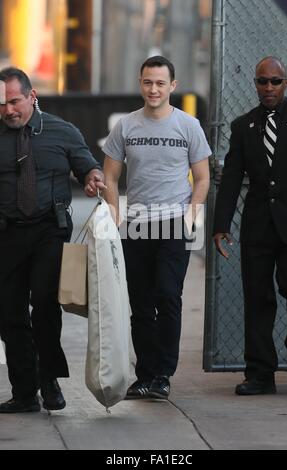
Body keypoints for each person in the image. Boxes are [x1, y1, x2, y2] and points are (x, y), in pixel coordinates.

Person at [103, 56, 211, 399]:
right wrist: (115, 217)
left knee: (168, 295)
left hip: (173, 225)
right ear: (141, 84)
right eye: (148, 82)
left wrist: (190, 218)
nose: (154, 89)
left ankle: (163, 374)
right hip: (136, 227)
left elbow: (203, 177)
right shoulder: (126, 127)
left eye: (160, 83)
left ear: (172, 86)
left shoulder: (188, 126)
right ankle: (145, 375)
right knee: (141, 304)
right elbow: (110, 175)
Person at [0, 67, 106, 413]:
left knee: (45, 305)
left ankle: (50, 381)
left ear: (32, 96)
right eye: (2, 105)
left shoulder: (62, 131)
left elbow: (88, 166)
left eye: (14, 102)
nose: (8, 110)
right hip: (7, 234)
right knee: (9, 313)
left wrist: (93, 178)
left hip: (50, 229)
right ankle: (25, 392)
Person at [213, 56, 287, 395]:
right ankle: (260, 374)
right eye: (262, 81)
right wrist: (221, 225)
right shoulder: (243, 126)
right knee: (258, 299)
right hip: (258, 227)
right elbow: (232, 178)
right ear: (255, 83)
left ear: (285, 82)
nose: (268, 88)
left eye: (275, 81)